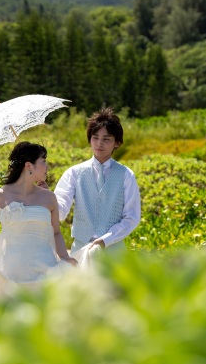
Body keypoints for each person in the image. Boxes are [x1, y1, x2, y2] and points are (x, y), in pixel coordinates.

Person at [0, 141, 77, 315]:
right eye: (43, 161)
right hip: (9, 270)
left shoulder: (48, 197)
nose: (47, 166)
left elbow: (56, 232)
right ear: (29, 166)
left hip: (44, 269)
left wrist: (65, 257)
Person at [52, 107, 141, 260]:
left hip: (114, 251)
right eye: (95, 137)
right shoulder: (74, 173)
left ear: (117, 143)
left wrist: (106, 240)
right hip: (80, 249)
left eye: (106, 139)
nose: (99, 143)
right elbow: (60, 212)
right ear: (90, 139)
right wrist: (46, 197)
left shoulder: (126, 175)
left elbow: (132, 217)